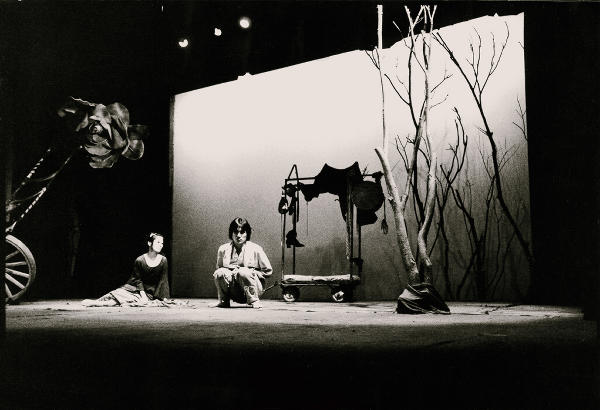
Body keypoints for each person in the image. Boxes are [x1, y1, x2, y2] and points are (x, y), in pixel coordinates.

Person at [82, 232, 170, 306]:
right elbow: (137, 280)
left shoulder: (163, 260)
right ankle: (98, 302)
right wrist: (142, 294)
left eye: (162, 243)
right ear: (149, 243)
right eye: (158, 242)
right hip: (136, 289)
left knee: (126, 299)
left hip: (150, 292)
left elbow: (163, 280)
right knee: (117, 293)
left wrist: (163, 297)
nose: (161, 245)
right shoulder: (140, 260)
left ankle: (98, 304)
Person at [213, 217, 272, 309]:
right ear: (231, 233)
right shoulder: (223, 249)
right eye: (235, 232)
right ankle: (223, 301)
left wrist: (251, 272)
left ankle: (254, 301)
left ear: (247, 233)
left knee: (243, 272)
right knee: (219, 272)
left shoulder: (256, 249)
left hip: (253, 289)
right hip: (234, 291)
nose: (238, 235)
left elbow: (268, 271)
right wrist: (231, 272)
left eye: (242, 232)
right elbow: (219, 268)